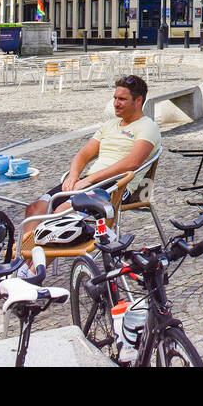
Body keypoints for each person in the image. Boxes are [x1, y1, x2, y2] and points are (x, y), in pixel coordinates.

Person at [20, 75, 160, 273]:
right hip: (88, 182)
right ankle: (27, 263)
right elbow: (83, 154)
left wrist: (91, 179)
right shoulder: (110, 125)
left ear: (138, 101)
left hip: (116, 185)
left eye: (122, 99)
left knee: (62, 213)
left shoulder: (147, 127)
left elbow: (133, 162)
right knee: (36, 207)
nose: (116, 104)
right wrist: (73, 176)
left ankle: (33, 274)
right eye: (115, 98)